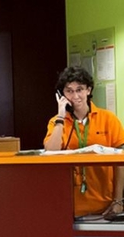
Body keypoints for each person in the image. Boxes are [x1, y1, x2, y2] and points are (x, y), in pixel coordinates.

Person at [44, 66, 124, 217]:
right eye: (69, 91)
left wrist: (118, 200)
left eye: (79, 89)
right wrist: (61, 116)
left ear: (88, 90)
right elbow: (50, 152)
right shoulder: (57, 122)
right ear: (62, 94)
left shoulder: (108, 119)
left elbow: (121, 163)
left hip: (105, 205)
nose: (75, 96)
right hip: (68, 205)